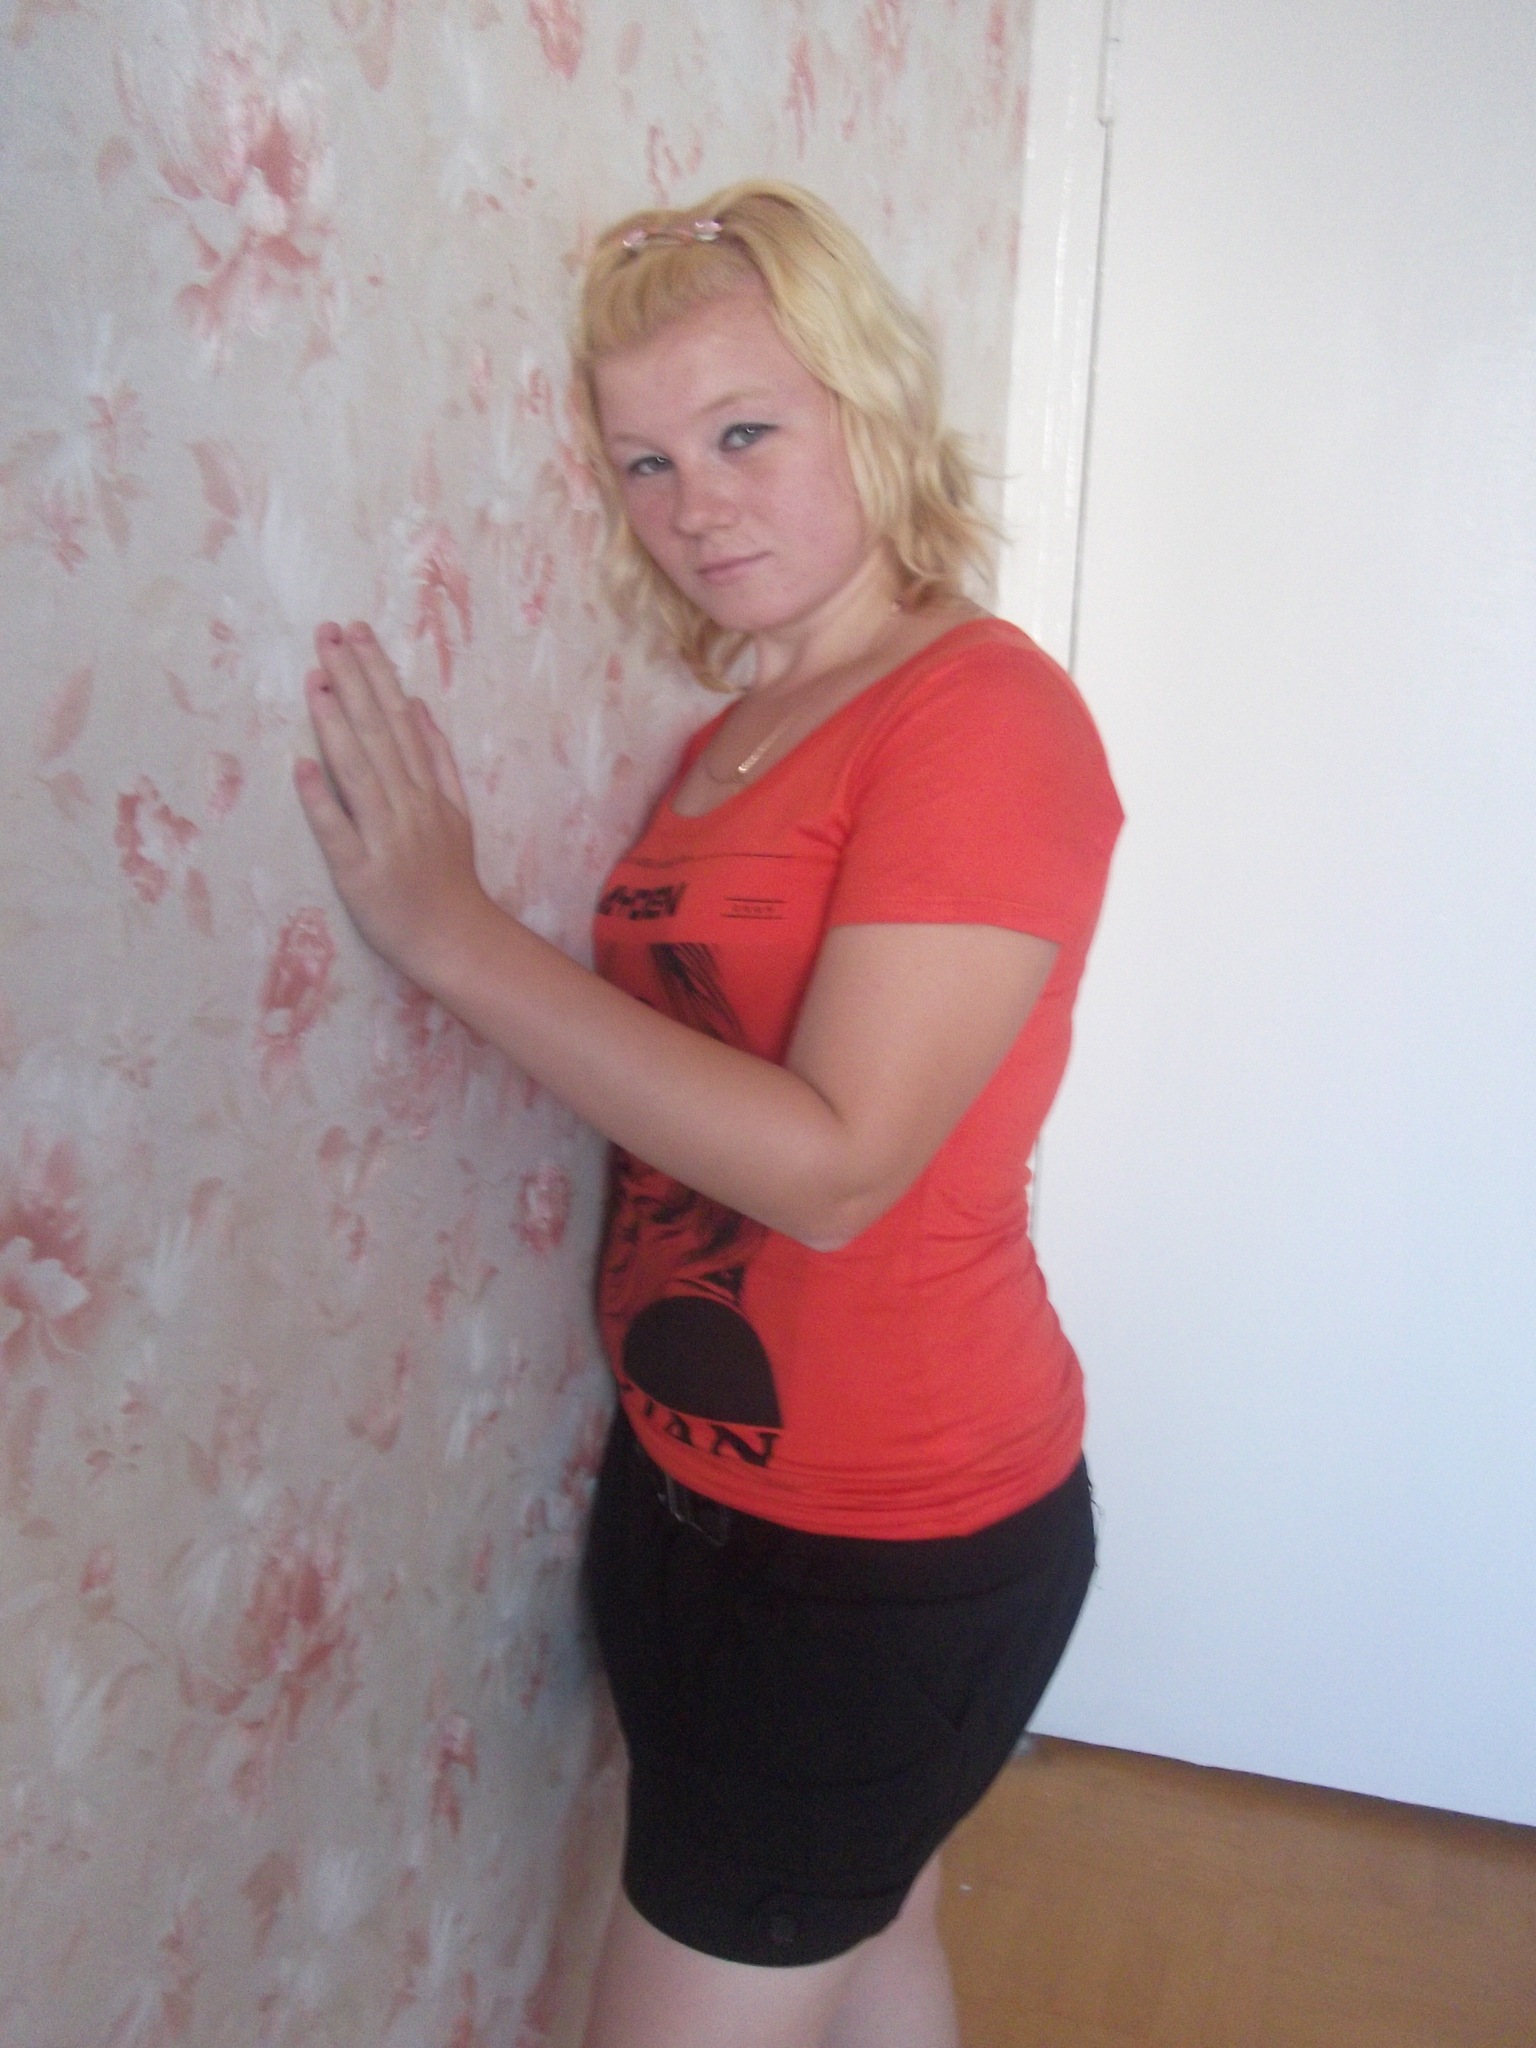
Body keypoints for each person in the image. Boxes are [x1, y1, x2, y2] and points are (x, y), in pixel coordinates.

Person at [296, 181, 1122, 2048]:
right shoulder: (734, 730)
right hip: (694, 1491)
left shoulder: (982, 717)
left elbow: (835, 1171)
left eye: (745, 432)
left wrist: (449, 934)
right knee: (873, 1945)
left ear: (870, 406)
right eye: (645, 462)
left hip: (884, 1538)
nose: (694, 506)